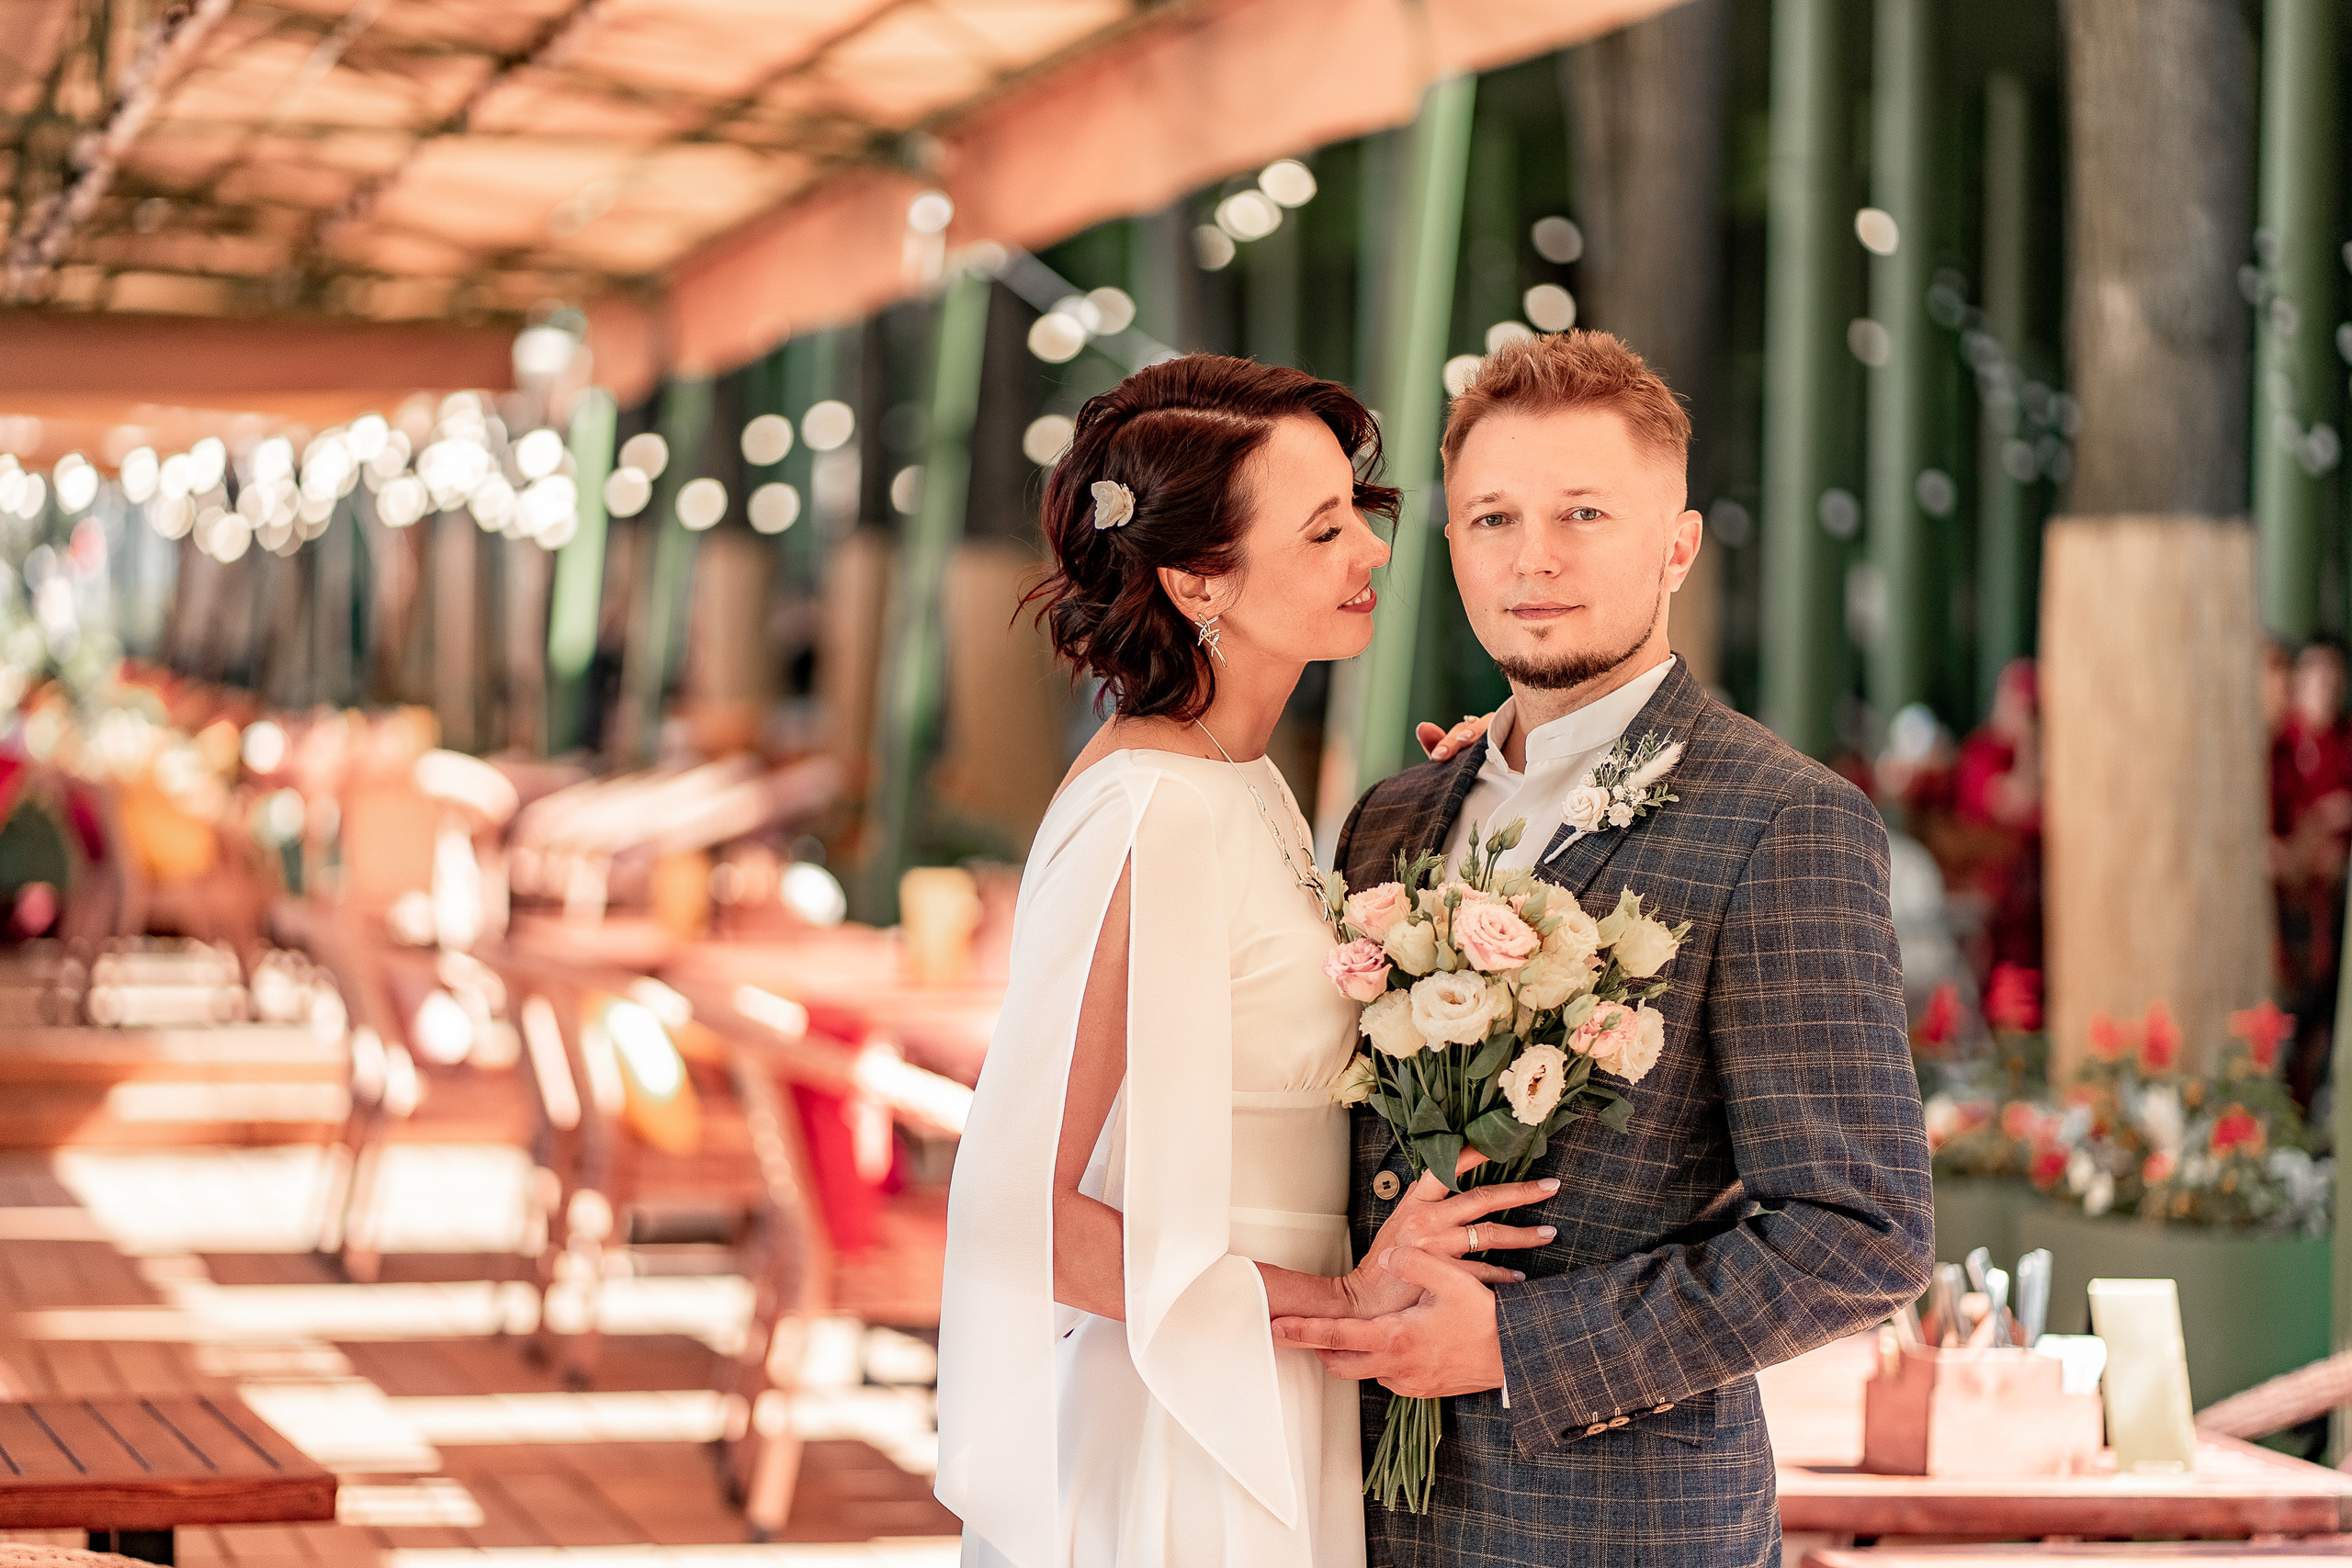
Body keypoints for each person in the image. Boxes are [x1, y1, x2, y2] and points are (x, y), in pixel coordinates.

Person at [1272, 332, 1934, 1566]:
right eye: (1492, 517)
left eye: (1585, 511)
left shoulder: (1784, 820)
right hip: (1346, 1503)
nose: (1535, 557)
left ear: (1677, 544)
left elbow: (1861, 1231)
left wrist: (1521, 1346)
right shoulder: (1394, 817)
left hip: (1613, 1525)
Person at [934, 355, 1560, 1568]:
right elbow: (1021, 1211)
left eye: (1360, 516)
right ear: (1193, 577)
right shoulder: (1148, 807)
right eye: (1323, 529)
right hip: (1186, 1423)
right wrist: (1343, 1300)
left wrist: (1481, 805)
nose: (1371, 555)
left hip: (1273, 1385)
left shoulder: (1241, 782)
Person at [2270, 642, 2352, 1104]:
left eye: (2332, 682)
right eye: (2316, 680)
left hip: (2333, 905)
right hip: (2290, 908)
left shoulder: (2343, 743)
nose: (2325, 692)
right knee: (2290, 1015)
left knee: (2326, 1010)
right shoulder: (2281, 748)